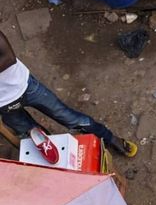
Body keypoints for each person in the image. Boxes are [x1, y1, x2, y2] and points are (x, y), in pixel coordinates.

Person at [0, 30, 137, 157]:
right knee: (34, 135)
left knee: (67, 116)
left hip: (25, 86)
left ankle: (109, 138)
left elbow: (9, 58)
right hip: (3, 104)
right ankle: (60, 156)